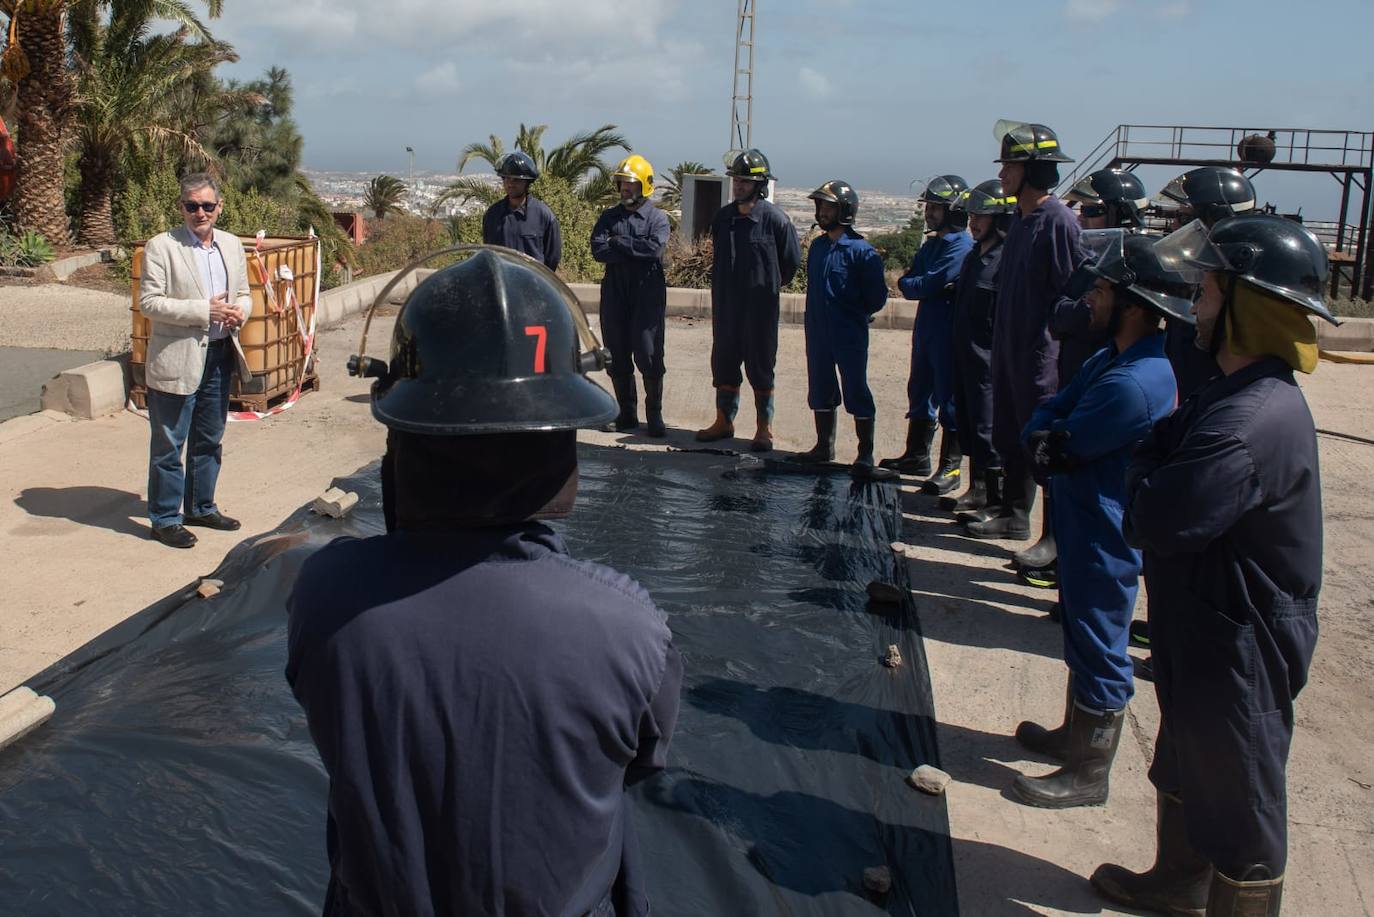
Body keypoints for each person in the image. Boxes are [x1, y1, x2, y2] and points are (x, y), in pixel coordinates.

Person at [292, 247, 682, 917]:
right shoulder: (627, 628)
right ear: (559, 445)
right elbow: (644, 757)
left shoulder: (326, 594)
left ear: (405, 442)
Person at [1091, 215, 1336, 916]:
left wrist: (1144, 471)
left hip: (1242, 640)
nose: (1193, 304)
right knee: (1188, 757)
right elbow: (1161, 457)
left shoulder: (1251, 419)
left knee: (1240, 802)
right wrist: (1152, 467)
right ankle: (1177, 882)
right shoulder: (1230, 393)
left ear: (1244, 308)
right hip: (1204, 622)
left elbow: (1156, 515)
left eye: (1205, 292)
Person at [1008, 231, 1185, 810]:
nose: (1091, 301)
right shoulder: (1115, 359)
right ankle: (1073, 735)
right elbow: (1052, 410)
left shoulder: (1134, 382)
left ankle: (1089, 772)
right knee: (1082, 633)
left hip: (1104, 531)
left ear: (1133, 305)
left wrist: (1044, 435)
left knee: (1102, 643)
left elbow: (1062, 442)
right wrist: (1044, 431)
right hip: (1084, 518)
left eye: (1103, 292)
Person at [966, 120, 1078, 543]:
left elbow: (1070, 294)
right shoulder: (1020, 220)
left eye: (1010, 166)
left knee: (1040, 440)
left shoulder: (1057, 222)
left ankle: (1051, 536)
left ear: (1033, 169)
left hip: (1038, 355)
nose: (1001, 175)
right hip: (1008, 349)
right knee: (1011, 433)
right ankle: (1013, 515)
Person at [137, 172, 252, 549]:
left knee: (209, 438)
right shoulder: (162, 246)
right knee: (170, 443)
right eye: (192, 206)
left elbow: (245, 293)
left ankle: (201, 506)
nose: (199, 213)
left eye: (206, 205)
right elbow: (149, 303)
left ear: (219, 207)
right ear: (181, 208)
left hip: (220, 355)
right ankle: (165, 518)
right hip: (178, 358)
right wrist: (205, 310)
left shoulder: (232, 245)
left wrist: (240, 312)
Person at [695, 148, 802, 451]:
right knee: (725, 363)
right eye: (736, 180)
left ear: (759, 184)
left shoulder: (776, 221)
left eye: (744, 181)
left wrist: (765, 286)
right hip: (727, 308)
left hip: (760, 311)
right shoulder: (723, 218)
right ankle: (723, 421)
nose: (738, 186)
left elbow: (790, 262)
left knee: (760, 366)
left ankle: (763, 428)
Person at [879, 175, 974, 495]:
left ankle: (951, 467)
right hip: (927, 326)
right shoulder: (933, 244)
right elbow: (911, 283)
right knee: (919, 389)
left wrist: (920, 285)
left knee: (949, 396)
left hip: (948, 329)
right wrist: (919, 285)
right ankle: (917, 456)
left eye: (935, 207)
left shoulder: (960, 247)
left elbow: (924, 284)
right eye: (929, 206)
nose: (929, 212)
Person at [792, 180, 890, 474]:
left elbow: (876, 297)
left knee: (855, 388)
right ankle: (824, 445)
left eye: (829, 207)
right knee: (820, 386)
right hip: (818, 331)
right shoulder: (819, 247)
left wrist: (853, 314)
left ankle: (865, 452)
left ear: (845, 211)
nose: (822, 212)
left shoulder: (862, 251)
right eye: (820, 206)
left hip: (848, 333)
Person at [942, 179, 1015, 519]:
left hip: (988, 360)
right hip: (964, 354)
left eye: (982, 216)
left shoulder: (1006, 261)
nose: (974, 222)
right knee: (969, 424)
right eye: (972, 215)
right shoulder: (975, 257)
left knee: (989, 430)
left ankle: (996, 503)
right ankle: (977, 490)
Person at [1156, 166, 1258, 401]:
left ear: (1216, 219)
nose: (1174, 227)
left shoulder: (1239, 293)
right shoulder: (1197, 277)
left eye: (1183, 218)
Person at [592, 154, 672, 437]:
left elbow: (654, 250)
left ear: (643, 186)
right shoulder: (608, 217)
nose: (625, 189)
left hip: (647, 291)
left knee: (648, 352)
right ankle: (627, 414)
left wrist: (619, 242)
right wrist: (632, 248)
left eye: (630, 184)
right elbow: (599, 250)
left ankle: (655, 416)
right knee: (616, 351)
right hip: (615, 290)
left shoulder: (657, 219)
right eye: (622, 184)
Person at [481, 150, 562, 271]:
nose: (510, 184)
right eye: (507, 179)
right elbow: (489, 252)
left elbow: (553, 258)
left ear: (527, 183)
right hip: (503, 283)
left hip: (533, 284)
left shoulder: (544, 215)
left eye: (516, 180)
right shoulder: (493, 214)